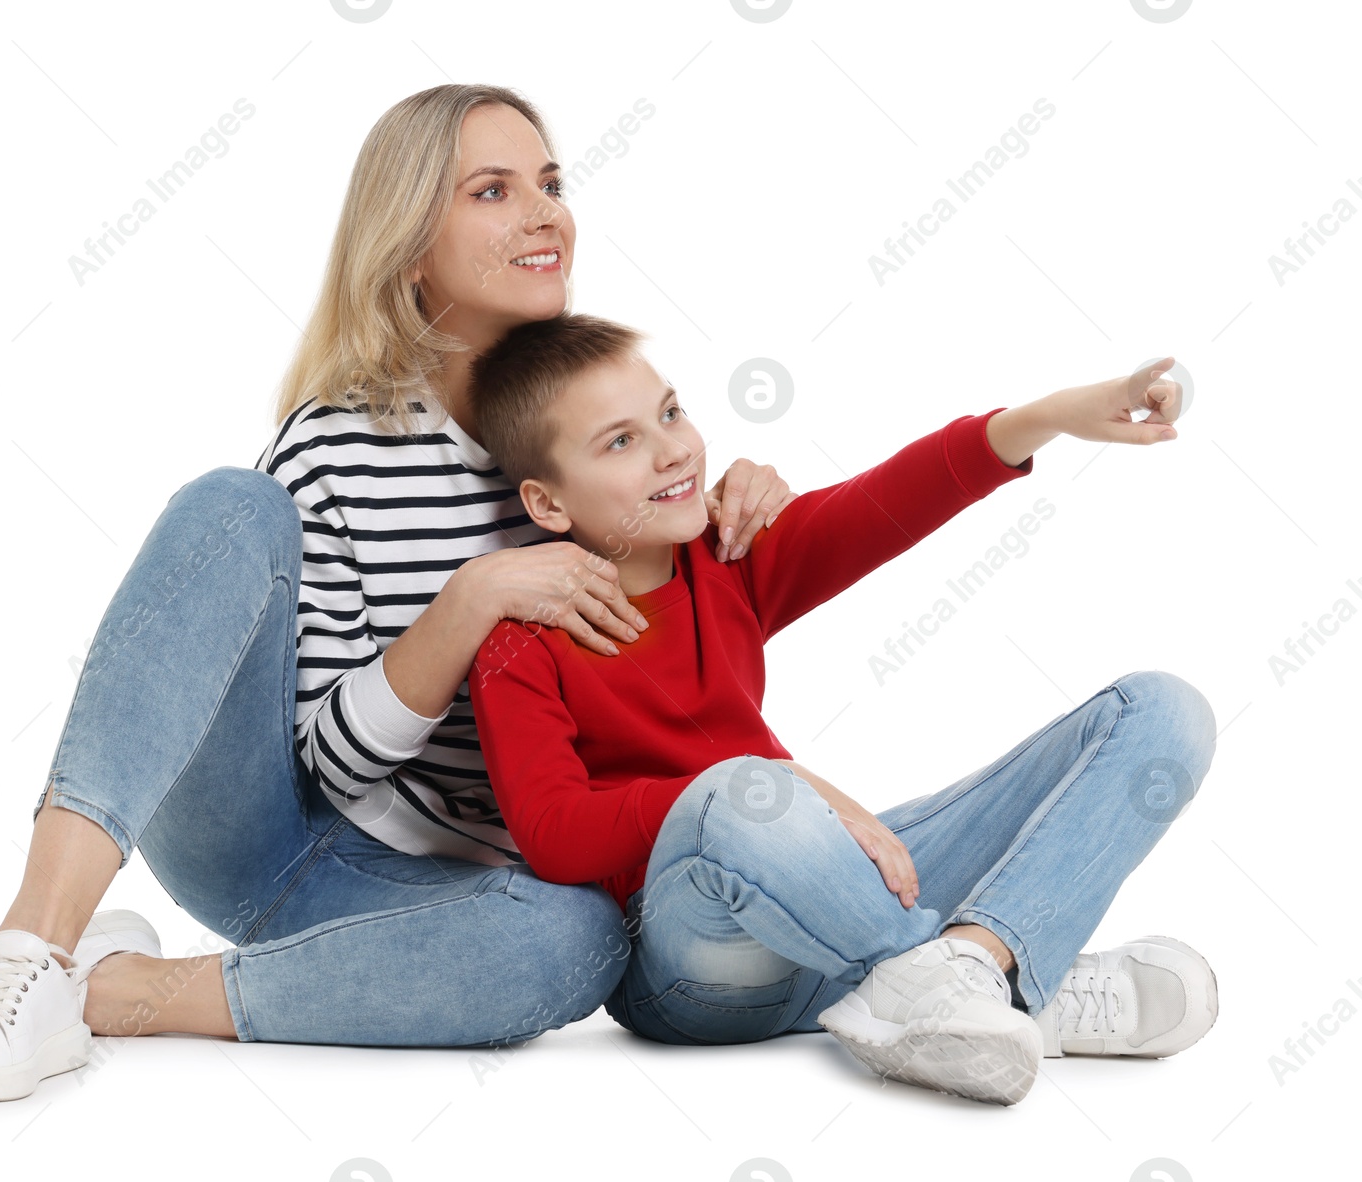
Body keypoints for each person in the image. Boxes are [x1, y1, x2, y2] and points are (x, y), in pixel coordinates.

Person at [0, 84, 798, 1103]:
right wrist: (467, 602)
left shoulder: (597, 435)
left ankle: (106, 990)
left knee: (575, 947)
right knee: (233, 506)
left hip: (457, 885)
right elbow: (328, 767)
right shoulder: (338, 445)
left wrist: (734, 512)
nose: (544, 214)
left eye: (550, 183)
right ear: (407, 249)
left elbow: (677, 660)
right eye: (493, 190)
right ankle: (31, 950)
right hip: (279, 832)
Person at [462, 312, 1220, 1106]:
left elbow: (890, 501)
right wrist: (766, 788)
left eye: (672, 410)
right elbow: (553, 835)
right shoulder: (521, 644)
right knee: (739, 792)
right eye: (620, 442)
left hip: (840, 910)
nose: (674, 448)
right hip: (695, 969)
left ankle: (964, 971)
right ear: (547, 504)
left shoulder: (728, 555)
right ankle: (1010, 976)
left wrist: (1052, 417)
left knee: (1164, 713)